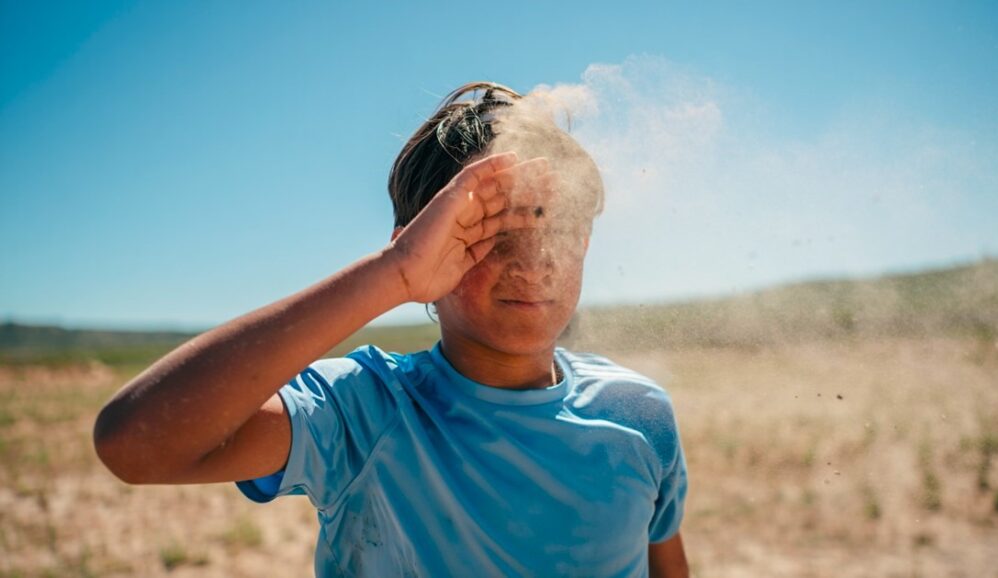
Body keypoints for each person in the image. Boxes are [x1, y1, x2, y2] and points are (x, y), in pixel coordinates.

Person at [94, 82, 689, 577]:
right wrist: (394, 275)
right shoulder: (364, 410)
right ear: (424, 241)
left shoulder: (639, 413)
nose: (532, 261)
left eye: (554, 224)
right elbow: (135, 444)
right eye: (487, 230)